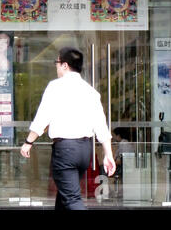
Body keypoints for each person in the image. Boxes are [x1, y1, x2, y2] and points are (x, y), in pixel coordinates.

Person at [20, 47, 116, 210]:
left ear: (65, 65)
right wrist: (109, 155)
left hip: (66, 150)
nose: (56, 67)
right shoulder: (90, 91)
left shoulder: (55, 87)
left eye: (56, 63)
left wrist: (28, 142)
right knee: (65, 195)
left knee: (71, 198)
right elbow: (101, 126)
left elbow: (42, 119)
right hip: (85, 151)